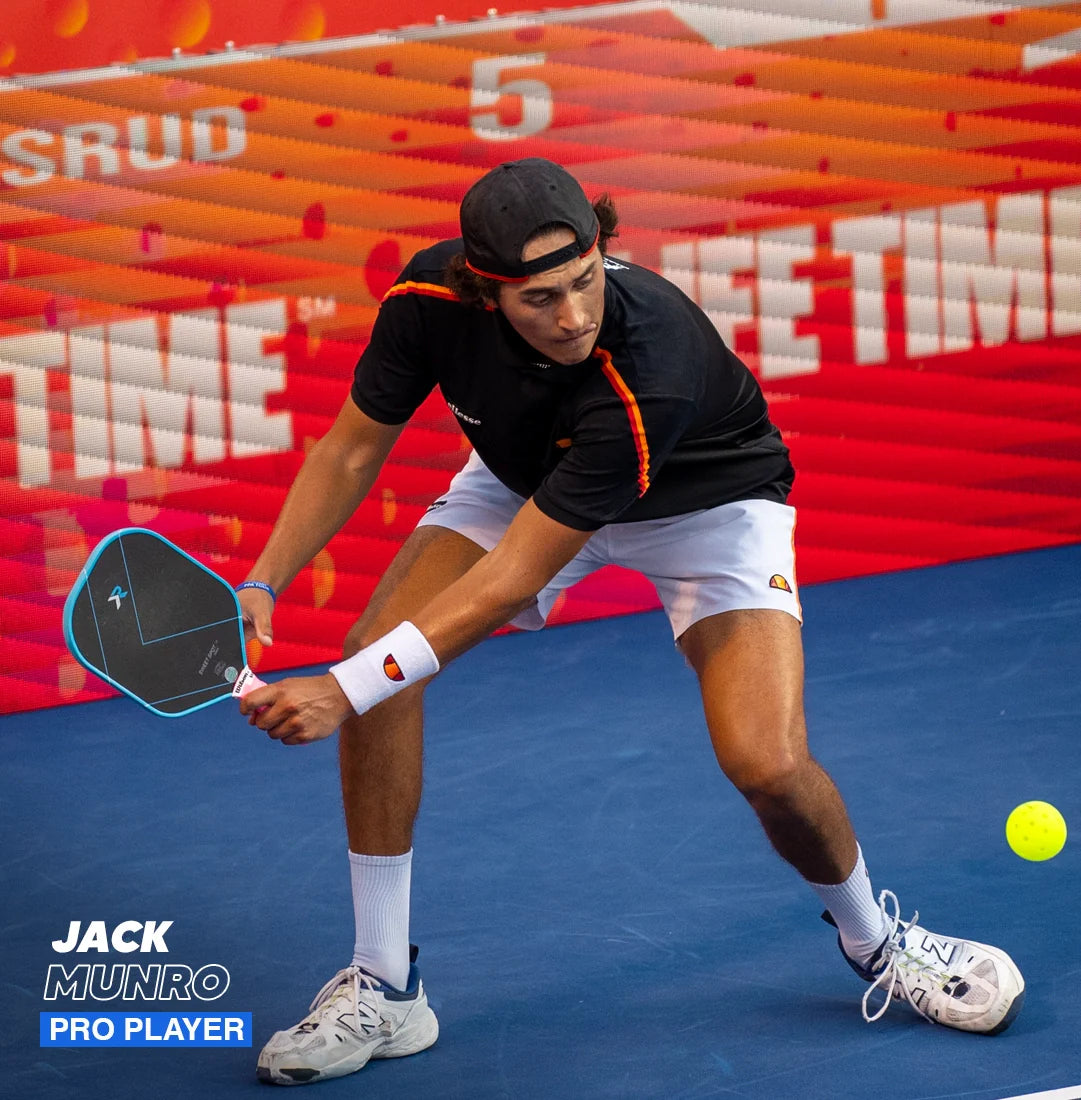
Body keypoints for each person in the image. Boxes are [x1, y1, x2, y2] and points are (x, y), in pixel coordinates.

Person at [236, 158, 1025, 1087]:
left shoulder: (646, 361)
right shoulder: (425, 301)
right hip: (528, 480)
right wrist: (263, 583)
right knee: (378, 673)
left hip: (709, 505)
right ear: (483, 293)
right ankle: (385, 988)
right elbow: (353, 444)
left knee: (766, 764)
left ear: (605, 250)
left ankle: (877, 944)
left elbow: (508, 581)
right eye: (540, 299)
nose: (572, 315)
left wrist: (342, 686)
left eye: (584, 282)